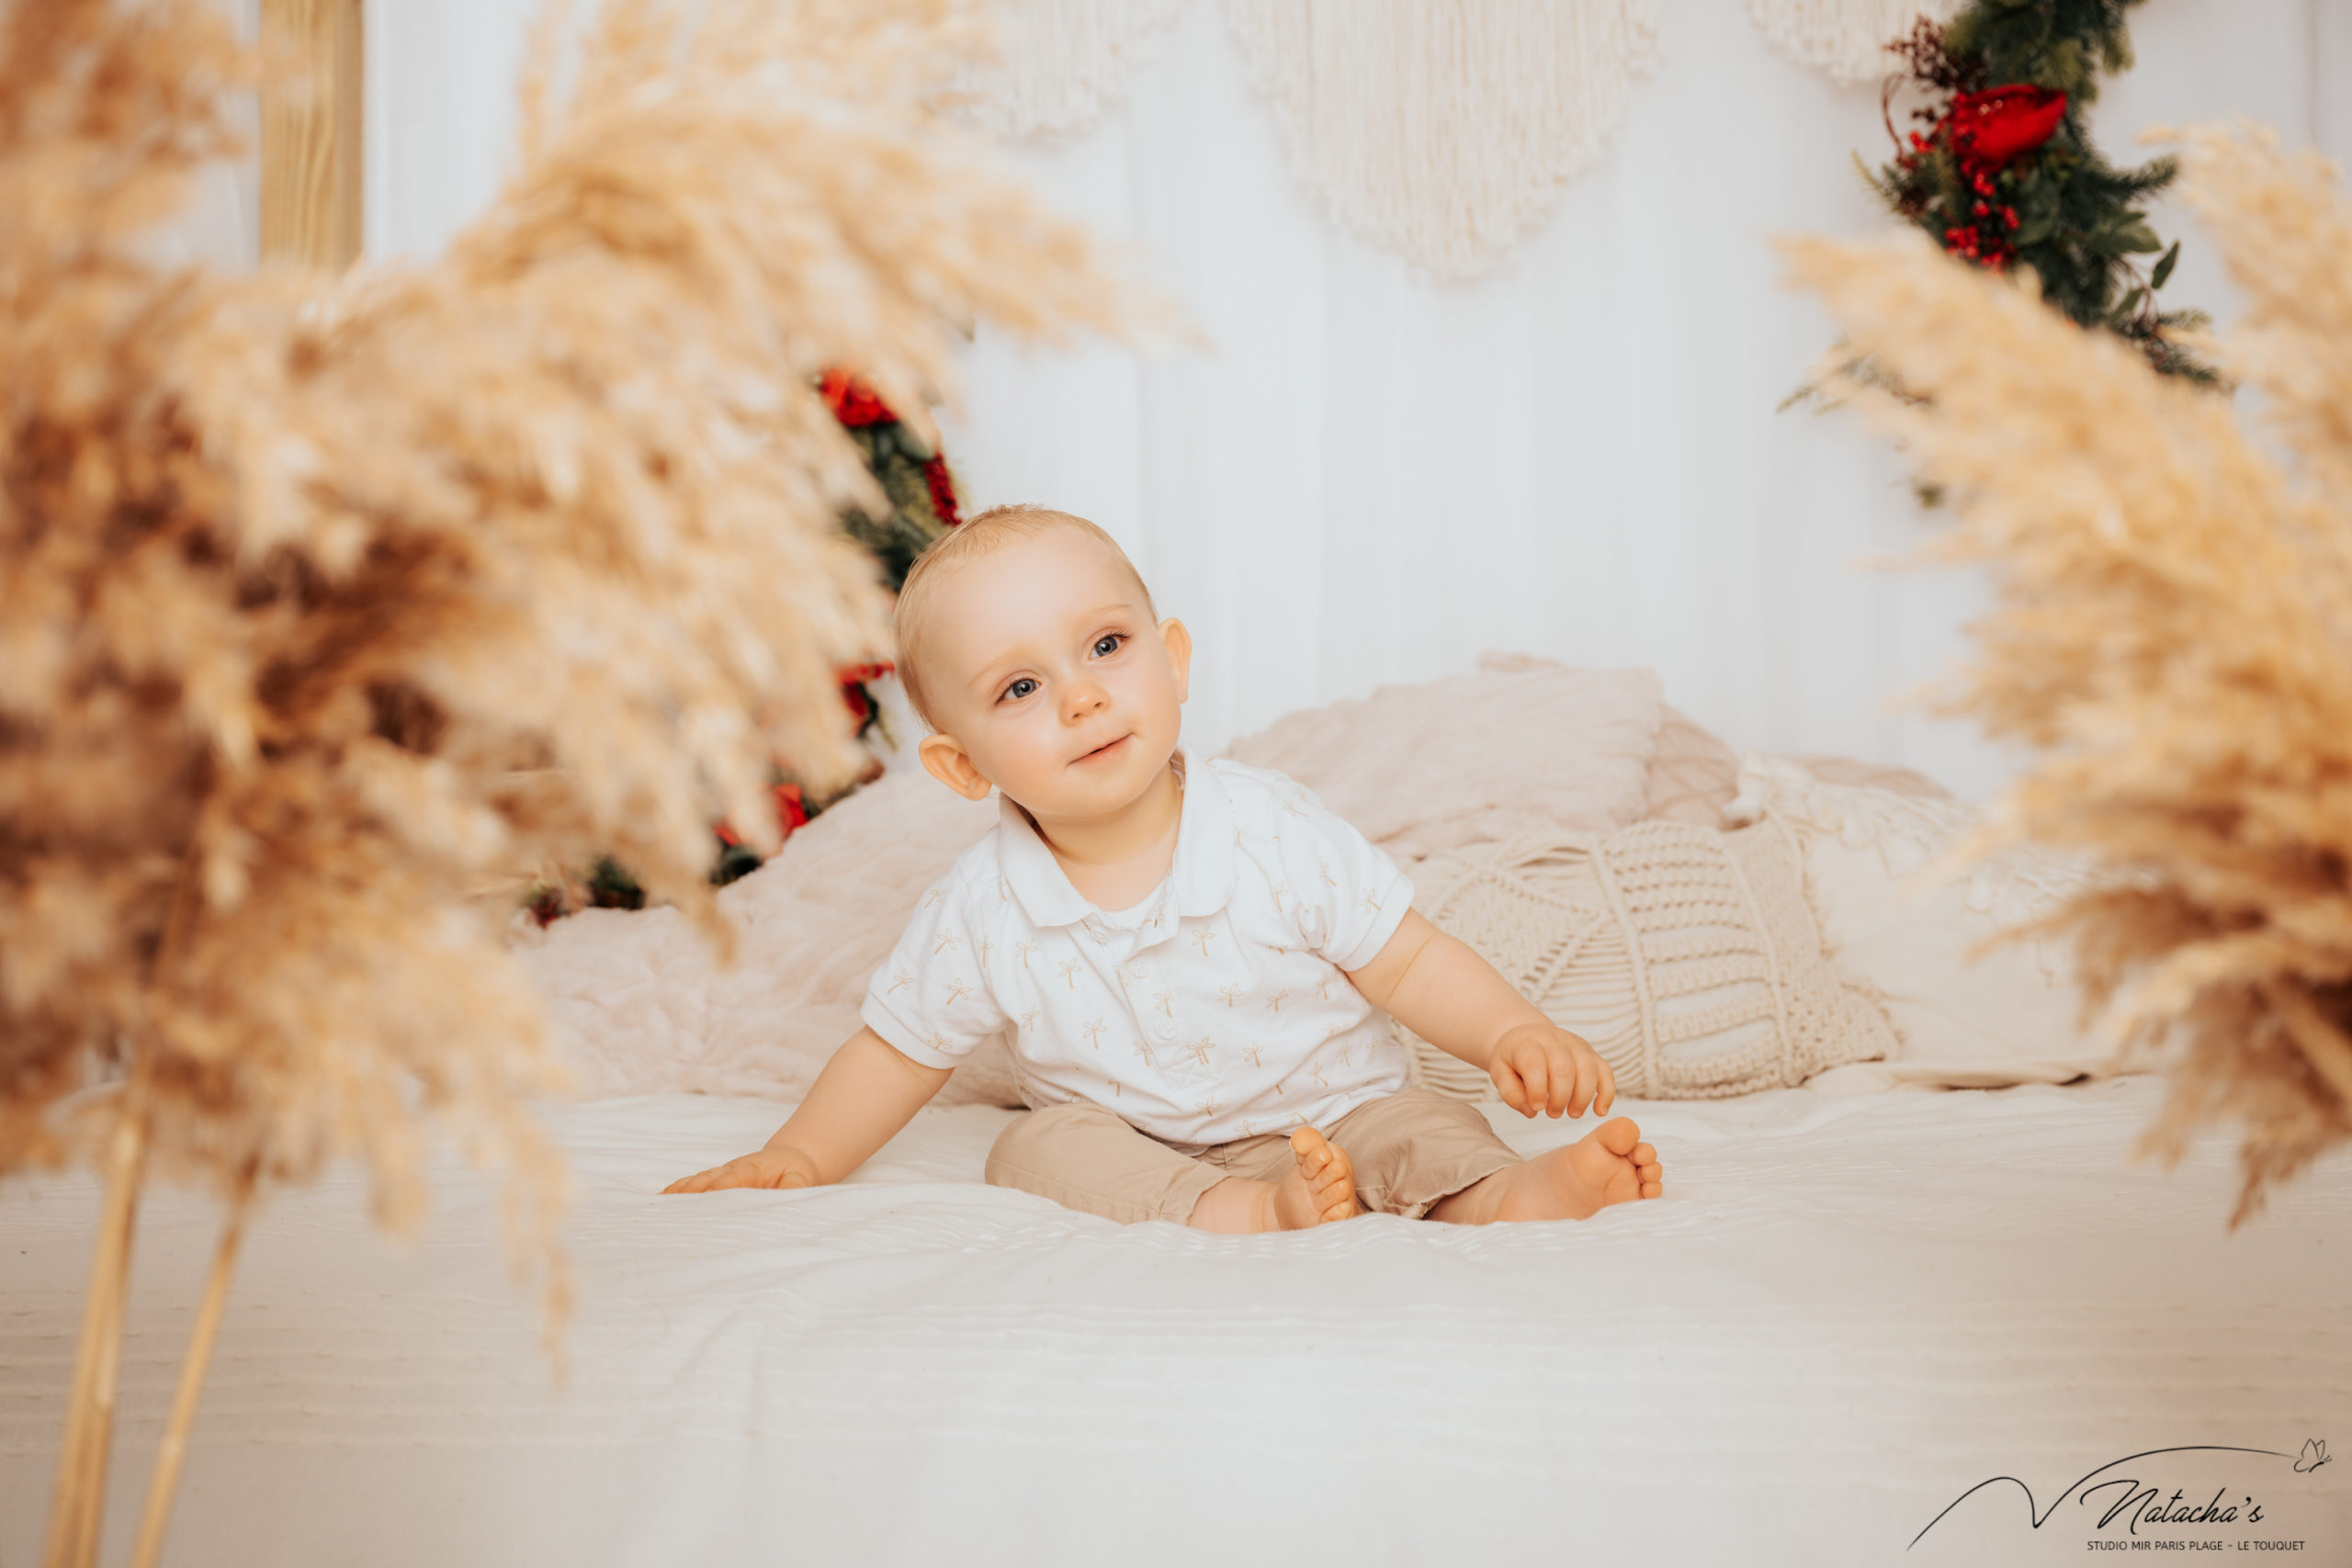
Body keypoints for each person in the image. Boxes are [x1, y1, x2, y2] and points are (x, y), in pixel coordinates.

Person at [664, 506, 1665, 1230]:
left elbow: (1404, 963)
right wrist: (797, 1153)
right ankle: (1243, 1212)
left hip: (1338, 1109)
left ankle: (1509, 1198)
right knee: (1031, 1149)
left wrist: (1512, 1033)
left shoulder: (1268, 829)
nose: (1082, 699)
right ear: (962, 766)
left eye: (1105, 645)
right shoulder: (980, 908)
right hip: (1143, 1147)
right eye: (1019, 686)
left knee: (1422, 1125)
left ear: (1172, 660)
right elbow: (894, 1053)